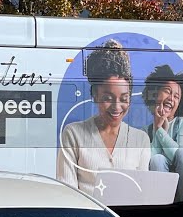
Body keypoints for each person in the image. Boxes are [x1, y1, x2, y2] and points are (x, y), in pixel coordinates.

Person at [57, 39, 151, 196]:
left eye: (124, 98)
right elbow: (67, 193)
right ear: (94, 95)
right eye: (108, 98)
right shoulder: (73, 134)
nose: (117, 107)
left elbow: (142, 193)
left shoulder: (141, 139)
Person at [143, 65, 183, 203]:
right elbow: (150, 158)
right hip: (162, 184)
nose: (171, 98)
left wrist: (161, 132)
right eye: (167, 91)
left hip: (182, 178)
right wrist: (157, 126)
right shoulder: (145, 130)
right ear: (156, 95)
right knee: (157, 159)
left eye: (176, 96)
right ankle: (162, 204)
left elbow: (177, 155)